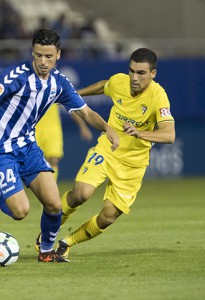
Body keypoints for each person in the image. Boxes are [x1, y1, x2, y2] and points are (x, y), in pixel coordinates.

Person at [0, 28, 119, 263]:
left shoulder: (58, 83)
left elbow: (86, 112)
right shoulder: (15, 77)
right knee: (21, 212)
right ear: (32, 53)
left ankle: (45, 252)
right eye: (38, 55)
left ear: (58, 55)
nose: (43, 62)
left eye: (48, 56)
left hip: (27, 147)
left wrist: (107, 128)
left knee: (54, 204)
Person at [54, 48, 175, 258]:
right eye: (131, 71)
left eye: (141, 73)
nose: (134, 78)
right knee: (81, 193)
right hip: (108, 149)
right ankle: (48, 233)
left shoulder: (158, 97)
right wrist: (75, 94)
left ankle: (67, 243)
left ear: (153, 73)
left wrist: (139, 132)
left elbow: (169, 135)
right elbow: (104, 86)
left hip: (133, 165)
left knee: (107, 217)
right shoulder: (120, 81)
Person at [35, 104, 93, 181]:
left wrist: (82, 126)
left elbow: (70, 108)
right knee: (33, 162)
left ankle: (52, 186)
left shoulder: (55, 92)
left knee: (53, 159)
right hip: (34, 130)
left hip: (53, 130)